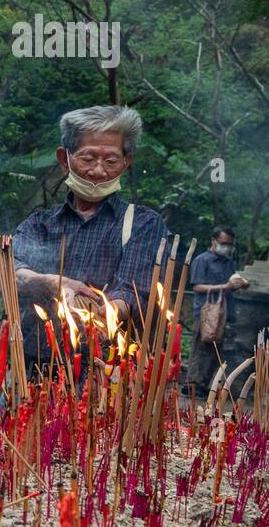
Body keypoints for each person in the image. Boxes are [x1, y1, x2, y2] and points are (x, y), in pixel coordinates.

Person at [13, 106, 167, 360]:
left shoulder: (143, 223)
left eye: (111, 161)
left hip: (106, 368)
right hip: (38, 365)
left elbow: (131, 291)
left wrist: (98, 316)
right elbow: (12, 273)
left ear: (126, 162)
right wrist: (51, 283)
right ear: (64, 159)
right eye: (87, 158)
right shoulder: (39, 225)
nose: (98, 171)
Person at [186, 226, 250, 398]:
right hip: (206, 312)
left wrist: (239, 285)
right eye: (223, 243)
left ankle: (208, 385)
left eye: (229, 244)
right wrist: (226, 286)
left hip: (224, 312)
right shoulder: (202, 260)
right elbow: (198, 287)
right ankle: (192, 385)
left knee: (216, 351)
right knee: (200, 348)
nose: (226, 247)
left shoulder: (228, 262)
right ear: (213, 241)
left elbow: (230, 285)